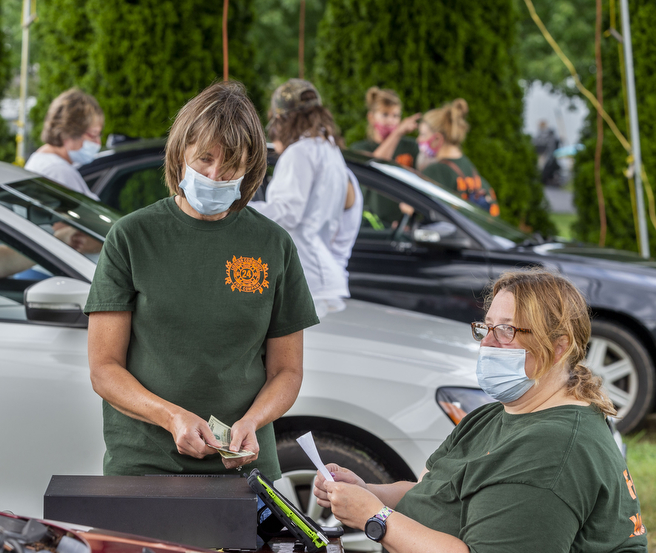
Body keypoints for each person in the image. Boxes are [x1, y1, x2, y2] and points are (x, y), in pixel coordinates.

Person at [314, 270, 650, 553]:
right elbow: (433, 493)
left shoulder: (553, 447)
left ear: (559, 347)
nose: (488, 344)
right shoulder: (498, 415)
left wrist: (376, 518)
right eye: (486, 328)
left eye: (507, 330)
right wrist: (367, 493)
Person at [85, 82, 319, 480]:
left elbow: (287, 371)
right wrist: (171, 417)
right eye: (204, 159)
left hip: (244, 469)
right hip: (145, 465)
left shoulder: (272, 244)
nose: (214, 175)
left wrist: (252, 422)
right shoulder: (131, 237)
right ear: (180, 156)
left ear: (251, 168)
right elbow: (104, 368)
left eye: (231, 165)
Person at [250, 79, 358, 317]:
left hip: (307, 277)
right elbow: (350, 214)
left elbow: (288, 212)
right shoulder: (329, 149)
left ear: (282, 118)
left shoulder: (299, 153)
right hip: (323, 276)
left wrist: (238, 208)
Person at [417, 99, 499, 216]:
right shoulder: (470, 168)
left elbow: (419, 216)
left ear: (437, 139)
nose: (418, 139)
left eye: (423, 134)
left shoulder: (435, 171)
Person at [25, 88, 104, 200]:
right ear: (69, 133)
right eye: (93, 135)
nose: (98, 142)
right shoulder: (57, 171)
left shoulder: (45, 161)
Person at [350, 86, 421, 168]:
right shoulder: (359, 148)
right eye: (385, 114)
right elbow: (374, 166)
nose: (391, 121)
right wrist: (397, 133)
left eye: (395, 115)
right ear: (371, 117)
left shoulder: (411, 146)